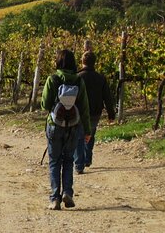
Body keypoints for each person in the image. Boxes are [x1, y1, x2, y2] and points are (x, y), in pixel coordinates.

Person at [41, 49, 91, 210]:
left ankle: (54, 198)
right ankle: (67, 192)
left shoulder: (53, 79)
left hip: (55, 125)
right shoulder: (78, 81)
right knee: (68, 160)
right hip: (73, 126)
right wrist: (88, 131)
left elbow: (45, 105)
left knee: (55, 161)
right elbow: (84, 108)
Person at [74, 50, 116, 174]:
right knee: (90, 134)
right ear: (94, 63)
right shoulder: (100, 78)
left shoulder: (77, 77)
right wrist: (111, 114)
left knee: (79, 137)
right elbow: (107, 97)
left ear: (82, 62)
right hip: (95, 112)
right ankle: (87, 159)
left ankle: (79, 164)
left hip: (80, 112)